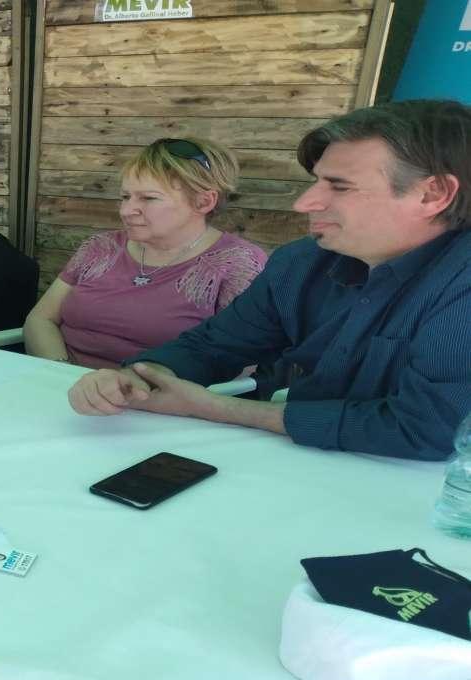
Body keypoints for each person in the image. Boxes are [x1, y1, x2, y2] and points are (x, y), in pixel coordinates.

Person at [67, 100, 471, 461]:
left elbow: (428, 429)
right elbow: (214, 344)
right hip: (294, 464)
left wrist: (218, 408)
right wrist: (137, 378)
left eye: (339, 186)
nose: (305, 202)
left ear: (432, 194)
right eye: (317, 181)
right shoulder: (302, 261)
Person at [24, 138, 267, 369]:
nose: (126, 210)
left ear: (204, 202)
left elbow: (239, 362)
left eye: (149, 198)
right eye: (125, 197)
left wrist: (128, 388)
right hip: (59, 382)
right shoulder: (102, 248)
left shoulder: (237, 264)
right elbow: (41, 319)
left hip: (157, 393)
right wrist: (61, 373)